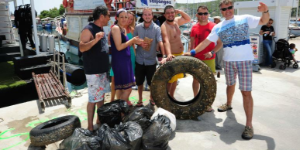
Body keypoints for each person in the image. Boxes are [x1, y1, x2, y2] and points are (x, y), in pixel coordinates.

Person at [184, 0, 269, 140]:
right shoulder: (218, 26)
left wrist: (265, 10)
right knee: (230, 85)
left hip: (245, 61)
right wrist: (192, 52)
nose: (227, 10)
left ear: (233, 8)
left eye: (229, 7)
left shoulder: (244, 18)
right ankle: (228, 104)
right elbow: (206, 42)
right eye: (224, 9)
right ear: (221, 11)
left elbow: (263, 20)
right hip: (228, 62)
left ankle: (249, 125)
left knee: (246, 92)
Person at [79, 5, 111, 132]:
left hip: (102, 70)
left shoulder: (101, 28)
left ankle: (99, 120)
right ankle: (90, 127)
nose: (109, 18)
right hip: (93, 72)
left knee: (101, 97)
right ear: (102, 16)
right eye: (108, 15)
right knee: (93, 99)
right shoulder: (89, 29)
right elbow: (82, 47)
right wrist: (96, 39)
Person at [133, 8, 170, 107]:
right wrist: (140, 44)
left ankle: (151, 98)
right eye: (145, 14)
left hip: (151, 60)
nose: (147, 16)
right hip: (139, 60)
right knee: (139, 82)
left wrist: (164, 56)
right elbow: (133, 40)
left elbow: (160, 41)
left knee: (152, 83)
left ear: (152, 15)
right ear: (142, 16)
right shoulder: (138, 27)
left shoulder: (156, 28)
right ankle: (140, 100)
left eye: (149, 14)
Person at [189, 6, 223, 112]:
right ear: (197, 15)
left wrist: (212, 52)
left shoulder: (215, 27)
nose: (203, 16)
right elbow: (192, 43)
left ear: (208, 14)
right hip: (197, 58)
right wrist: (191, 54)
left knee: (209, 82)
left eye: (205, 13)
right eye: (200, 14)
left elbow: (220, 44)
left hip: (210, 58)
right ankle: (195, 99)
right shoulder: (194, 27)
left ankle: (207, 103)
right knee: (195, 80)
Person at [110, 9, 142, 104]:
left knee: (121, 87)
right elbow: (119, 47)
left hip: (126, 60)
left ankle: (120, 110)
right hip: (120, 61)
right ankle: (120, 107)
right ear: (117, 18)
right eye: (122, 17)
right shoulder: (116, 28)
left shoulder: (123, 29)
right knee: (127, 89)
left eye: (126, 17)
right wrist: (132, 41)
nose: (124, 19)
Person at [161, 5, 191, 99]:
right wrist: (169, 54)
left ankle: (171, 96)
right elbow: (166, 41)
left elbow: (188, 19)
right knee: (170, 80)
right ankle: (166, 98)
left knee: (175, 79)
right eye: (168, 13)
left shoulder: (177, 21)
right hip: (172, 55)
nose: (170, 15)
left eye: (172, 12)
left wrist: (180, 11)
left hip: (180, 54)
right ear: (164, 15)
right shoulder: (164, 26)